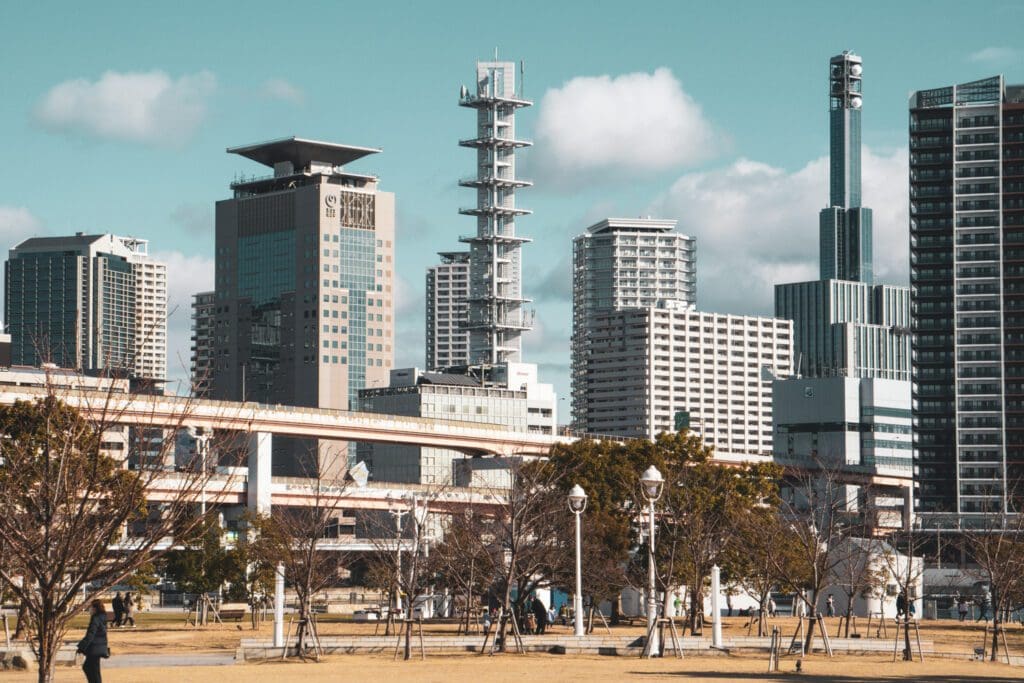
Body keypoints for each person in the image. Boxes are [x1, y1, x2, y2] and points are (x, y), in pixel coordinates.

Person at [77, 599, 109, 683]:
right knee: (94, 670)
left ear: (95, 608)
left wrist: (82, 646)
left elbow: (91, 634)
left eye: (90, 607)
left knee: (89, 668)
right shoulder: (102, 617)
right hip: (99, 646)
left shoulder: (96, 618)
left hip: (94, 648)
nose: (89, 609)